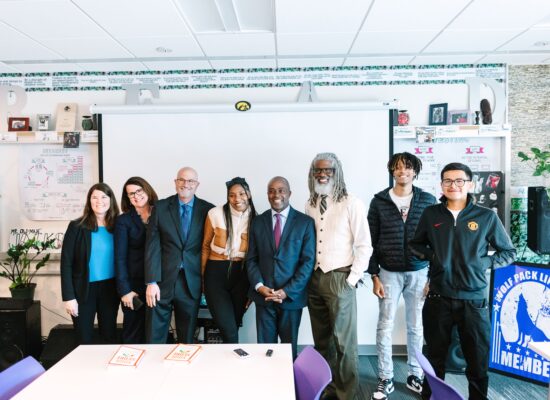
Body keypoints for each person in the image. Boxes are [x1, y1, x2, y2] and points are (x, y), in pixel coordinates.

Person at [409, 162, 516, 400]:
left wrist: (483, 263)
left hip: (474, 301)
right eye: (448, 180)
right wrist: (433, 256)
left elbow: (508, 252)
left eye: (459, 181)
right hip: (439, 297)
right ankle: (431, 396)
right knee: (434, 358)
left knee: (477, 362)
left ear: (470, 184)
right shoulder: (431, 214)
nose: (453, 185)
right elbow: (415, 244)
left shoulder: (486, 217)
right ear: (441, 184)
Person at [367, 152, 437, 400]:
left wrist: (431, 278)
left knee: (415, 327)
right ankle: (385, 377)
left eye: (407, 168)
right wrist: (374, 275)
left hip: (419, 273)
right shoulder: (379, 201)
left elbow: (435, 241)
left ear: (415, 171)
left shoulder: (428, 200)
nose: (402, 172)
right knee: (384, 326)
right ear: (391, 171)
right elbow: (370, 241)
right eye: (397, 168)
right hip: (388, 272)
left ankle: (414, 374)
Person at [305, 152, 373, 400]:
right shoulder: (310, 203)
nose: (322, 174)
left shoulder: (352, 203)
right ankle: (326, 387)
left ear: (337, 172)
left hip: (340, 278)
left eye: (328, 170)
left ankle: (346, 394)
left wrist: (352, 280)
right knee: (322, 340)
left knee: (344, 342)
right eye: (318, 170)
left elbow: (364, 245)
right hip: (315, 278)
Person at [247, 176, 315, 359]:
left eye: (281, 190)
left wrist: (287, 291)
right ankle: (267, 385)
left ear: (289, 193)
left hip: (291, 299)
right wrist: (259, 287)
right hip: (265, 297)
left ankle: (289, 386)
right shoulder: (257, 222)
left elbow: (307, 262)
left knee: (288, 349)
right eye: (271, 190)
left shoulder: (305, 223)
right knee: (265, 351)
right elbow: (251, 259)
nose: (276, 194)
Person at [145, 167, 214, 344]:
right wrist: (151, 282)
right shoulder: (160, 208)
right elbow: (152, 245)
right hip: (162, 281)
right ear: (175, 182)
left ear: (197, 185)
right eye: (182, 180)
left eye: (191, 181)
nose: (186, 184)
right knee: (155, 335)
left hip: (191, 281)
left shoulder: (209, 210)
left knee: (187, 338)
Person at [61, 182, 120, 344]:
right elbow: (66, 263)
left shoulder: (118, 226)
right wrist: (69, 297)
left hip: (110, 289)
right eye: (94, 197)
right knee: (83, 337)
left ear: (111, 200)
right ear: (89, 201)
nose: (99, 201)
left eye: (103, 196)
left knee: (109, 335)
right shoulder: (76, 227)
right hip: (83, 290)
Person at [201, 177, 256, 343]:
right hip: (216, 272)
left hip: (242, 275)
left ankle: (229, 360)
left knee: (234, 323)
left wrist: (254, 286)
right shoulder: (215, 214)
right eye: (232, 195)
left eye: (241, 194)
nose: (237, 198)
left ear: (249, 194)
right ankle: (235, 362)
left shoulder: (257, 219)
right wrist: (202, 279)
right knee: (228, 328)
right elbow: (205, 247)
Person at [114, 176, 158, 344]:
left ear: (147, 190)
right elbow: (119, 258)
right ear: (127, 198)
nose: (136, 196)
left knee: (154, 333)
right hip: (134, 287)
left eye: (139, 191)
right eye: (131, 194)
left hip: (157, 284)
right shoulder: (123, 221)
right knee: (132, 333)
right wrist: (124, 290)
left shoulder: (161, 214)